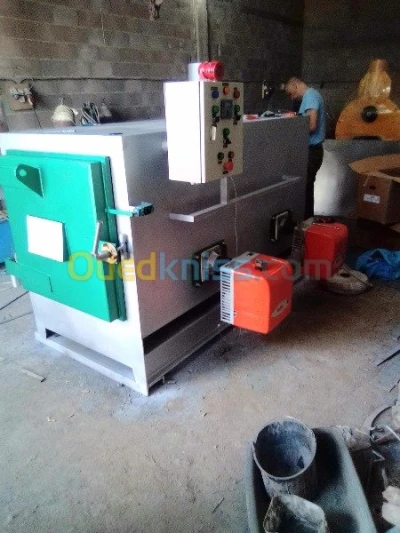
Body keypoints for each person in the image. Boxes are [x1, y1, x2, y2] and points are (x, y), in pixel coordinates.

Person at [285, 77, 326, 219]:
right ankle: (307, 223)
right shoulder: (311, 96)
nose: (292, 97)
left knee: (305, 190)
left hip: (311, 152)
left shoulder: (310, 95)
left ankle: (306, 223)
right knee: (306, 189)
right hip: (311, 151)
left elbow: (311, 125)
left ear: (295, 85)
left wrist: (291, 128)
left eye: (290, 93)